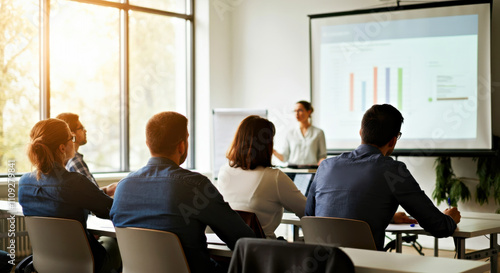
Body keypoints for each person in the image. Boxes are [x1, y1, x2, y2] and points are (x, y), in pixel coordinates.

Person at [110, 111, 255, 273]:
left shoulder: (123, 187)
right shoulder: (195, 186)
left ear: (148, 144)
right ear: (182, 145)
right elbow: (242, 239)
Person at [305, 104, 461, 251]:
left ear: (360, 133)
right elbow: (438, 227)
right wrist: (450, 218)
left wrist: (386, 217)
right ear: (393, 141)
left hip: (322, 265)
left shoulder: (325, 166)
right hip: (367, 267)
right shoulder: (392, 171)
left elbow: (310, 216)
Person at [18, 119, 121, 273]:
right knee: (115, 243)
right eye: (71, 138)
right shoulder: (74, 182)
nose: (74, 142)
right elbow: (112, 210)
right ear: (62, 147)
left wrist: (103, 192)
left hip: (45, 263)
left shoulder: (24, 183)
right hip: (86, 264)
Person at [218, 115, 307, 239]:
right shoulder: (274, 177)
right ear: (267, 144)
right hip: (262, 253)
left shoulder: (224, 171)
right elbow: (306, 210)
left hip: (229, 251)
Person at [56, 113, 117, 196]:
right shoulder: (75, 160)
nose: (85, 131)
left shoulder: (65, 160)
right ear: (72, 134)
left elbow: (88, 192)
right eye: (81, 128)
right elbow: (93, 196)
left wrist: (107, 190)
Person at [273, 100, 327, 166]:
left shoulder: (319, 133)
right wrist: (272, 151)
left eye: (300, 110)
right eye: (295, 111)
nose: (297, 113)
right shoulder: (290, 133)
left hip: (311, 170)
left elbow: (322, 156)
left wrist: (322, 162)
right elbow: (284, 158)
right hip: (293, 170)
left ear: (309, 111)